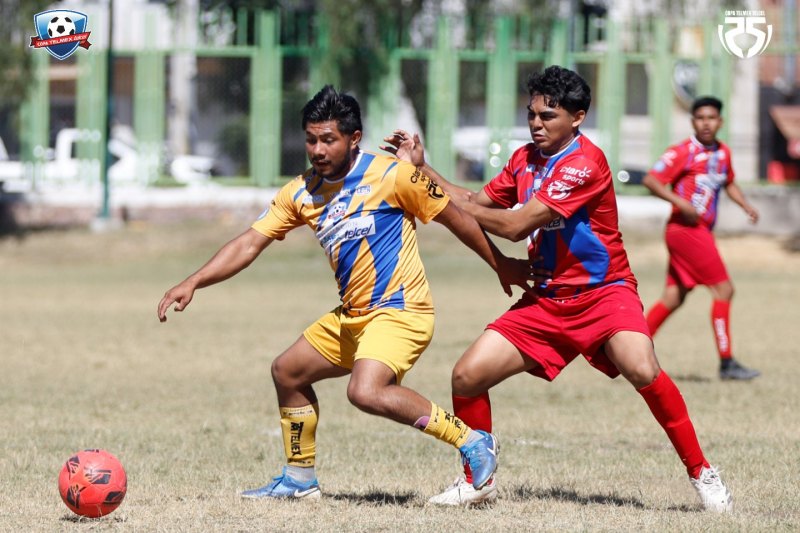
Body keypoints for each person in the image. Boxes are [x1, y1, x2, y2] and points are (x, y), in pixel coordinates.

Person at [382, 66, 733, 512]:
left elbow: (513, 226)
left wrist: (431, 194)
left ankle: (702, 472)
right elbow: (474, 202)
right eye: (531, 114)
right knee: (467, 376)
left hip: (604, 293)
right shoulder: (524, 159)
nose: (536, 123)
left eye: (548, 116)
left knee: (642, 368)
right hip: (547, 299)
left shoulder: (585, 163)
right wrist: (421, 168)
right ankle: (477, 479)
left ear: (577, 117)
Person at [157, 85, 514, 500]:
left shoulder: (393, 175)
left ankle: (472, 440)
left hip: (401, 310)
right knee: (288, 372)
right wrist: (194, 281)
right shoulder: (301, 192)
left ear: (354, 138)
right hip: (353, 315)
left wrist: (500, 263)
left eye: (328, 139)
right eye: (311, 140)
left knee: (365, 390)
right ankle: (299, 479)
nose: (318, 150)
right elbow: (249, 243)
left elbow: (457, 219)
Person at [641, 96, 760, 381]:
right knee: (724, 290)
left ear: (720, 122)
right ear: (693, 121)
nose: (706, 123)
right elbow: (651, 180)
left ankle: (627, 351)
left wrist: (745, 205)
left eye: (711, 118)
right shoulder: (682, 152)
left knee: (673, 297)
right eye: (700, 118)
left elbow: (728, 182)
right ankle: (727, 363)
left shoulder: (723, 153)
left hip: (699, 231)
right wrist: (680, 203)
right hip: (685, 231)